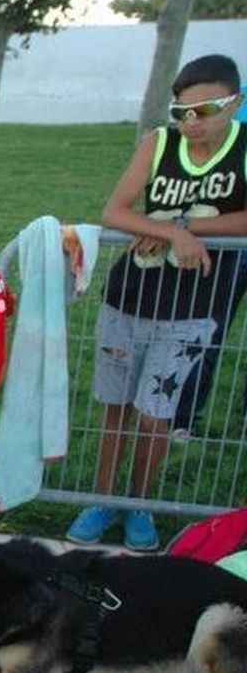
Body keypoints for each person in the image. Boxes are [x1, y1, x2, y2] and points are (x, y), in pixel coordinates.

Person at [69, 54, 247, 551]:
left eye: (204, 110)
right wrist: (167, 230)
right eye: (181, 112)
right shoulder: (159, 143)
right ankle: (102, 500)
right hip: (132, 294)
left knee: (155, 414)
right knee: (116, 408)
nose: (191, 122)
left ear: (233, 103)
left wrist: (186, 230)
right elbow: (116, 209)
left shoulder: (242, 147)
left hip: (193, 307)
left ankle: (139, 503)